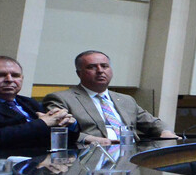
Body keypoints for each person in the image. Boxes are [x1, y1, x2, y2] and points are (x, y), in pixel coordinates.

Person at [43, 51, 175, 143]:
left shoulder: (126, 100)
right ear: (79, 73)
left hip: (130, 156)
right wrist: (89, 139)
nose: (100, 71)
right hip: (90, 157)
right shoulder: (61, 98)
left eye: (104, 66)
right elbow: (57, 131)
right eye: (92, 67)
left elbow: (153, 123)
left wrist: (165, 131)